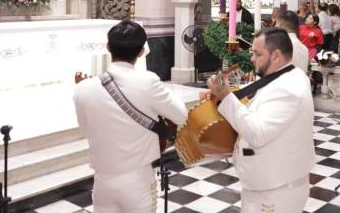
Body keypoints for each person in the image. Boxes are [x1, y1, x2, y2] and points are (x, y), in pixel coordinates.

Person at [73, 21, 188, 213]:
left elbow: (85, 130)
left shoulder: (82, 88)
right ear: (142, 51)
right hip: (138, 180)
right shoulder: (148, 81)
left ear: (108, 46)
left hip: (102, 179)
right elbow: (180, 115)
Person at [206, 28, 315, 212]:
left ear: (276, 56)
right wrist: (219, 96)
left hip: (276, 190)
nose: (252, 59)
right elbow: (258, 100)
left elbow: (257, 133)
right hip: (267, 183)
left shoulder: (287, 89)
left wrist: (225, 96)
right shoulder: (285, 75)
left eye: (257, 54)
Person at [275, 10, 310, 74]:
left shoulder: (280, 46)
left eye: (276, 24)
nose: (275, 27)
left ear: (280, 25)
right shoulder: (304, 48)